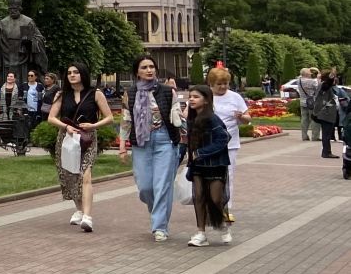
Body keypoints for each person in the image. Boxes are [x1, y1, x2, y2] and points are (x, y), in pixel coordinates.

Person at [119, 54, 182, 241]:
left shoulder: (166, 91)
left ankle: (159, 226)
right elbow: (125, 121)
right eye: (144, 67)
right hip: (141, 142)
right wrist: (122, 147)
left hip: (165, 140)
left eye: (151, 67)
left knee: (162, 185)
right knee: (146, 187)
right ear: (137, 72)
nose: (149, 70)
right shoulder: (130, 93)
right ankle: (158, 213)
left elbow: (177, 117)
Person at [49, 61, 114, 232]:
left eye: (76, 72)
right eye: (69, 72)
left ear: (83, 74)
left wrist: (94, 126)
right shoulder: (63, 94)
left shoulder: (95, 93)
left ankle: (87, 216)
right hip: (67, 138)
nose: (72, 75)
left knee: (86, 174)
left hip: (87, 138)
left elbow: (109, 118)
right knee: (69, 175)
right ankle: (79, 208)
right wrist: (65, 127)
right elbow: (51, 117)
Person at [184, 84, 233, 247]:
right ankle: (201, 233)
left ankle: (222, 225)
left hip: (216, 164)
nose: (191, 99)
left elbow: (224, 138)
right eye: (190, 96)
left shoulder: (212, 118)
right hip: (198, 166)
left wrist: (202, 152)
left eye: (196, 97)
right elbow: (189, 143)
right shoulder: (191, 119)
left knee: (215, 199)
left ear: (206, 101)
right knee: (198, 197)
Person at [206, 67, 252, 216]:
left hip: (229, 143)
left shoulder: (235, 97)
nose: (223, 87)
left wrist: (241, 117)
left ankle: (226, 207)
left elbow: (247, 118)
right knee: (209, 175)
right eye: (219, 84)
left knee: (228, 175)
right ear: (211, 83)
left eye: (225, 83)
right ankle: (210, 204)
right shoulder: (205, 96)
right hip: (209, 143)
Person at [313, 68, 342, 159]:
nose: (335, 79)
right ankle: (326, 152)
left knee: (327, 134)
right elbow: (328, 83)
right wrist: (331, 76)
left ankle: (326, 152)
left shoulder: (324, 86)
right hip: (325, 114)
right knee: (326, 134)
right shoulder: (324, 85)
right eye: (334, 78)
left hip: (326, 114)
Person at [299, 68, 320, 142]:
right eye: (309, 72)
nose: (310, 72)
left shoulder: (299, 80)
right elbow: (318, 87)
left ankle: (304, 136)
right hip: (312, 102)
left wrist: (306, 70)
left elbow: (300, 75)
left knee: (304, 119)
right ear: (307, 74)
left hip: (303, 102)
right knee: (314, 119)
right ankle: (315, 136)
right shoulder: (313, 81)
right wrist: (317, 71)